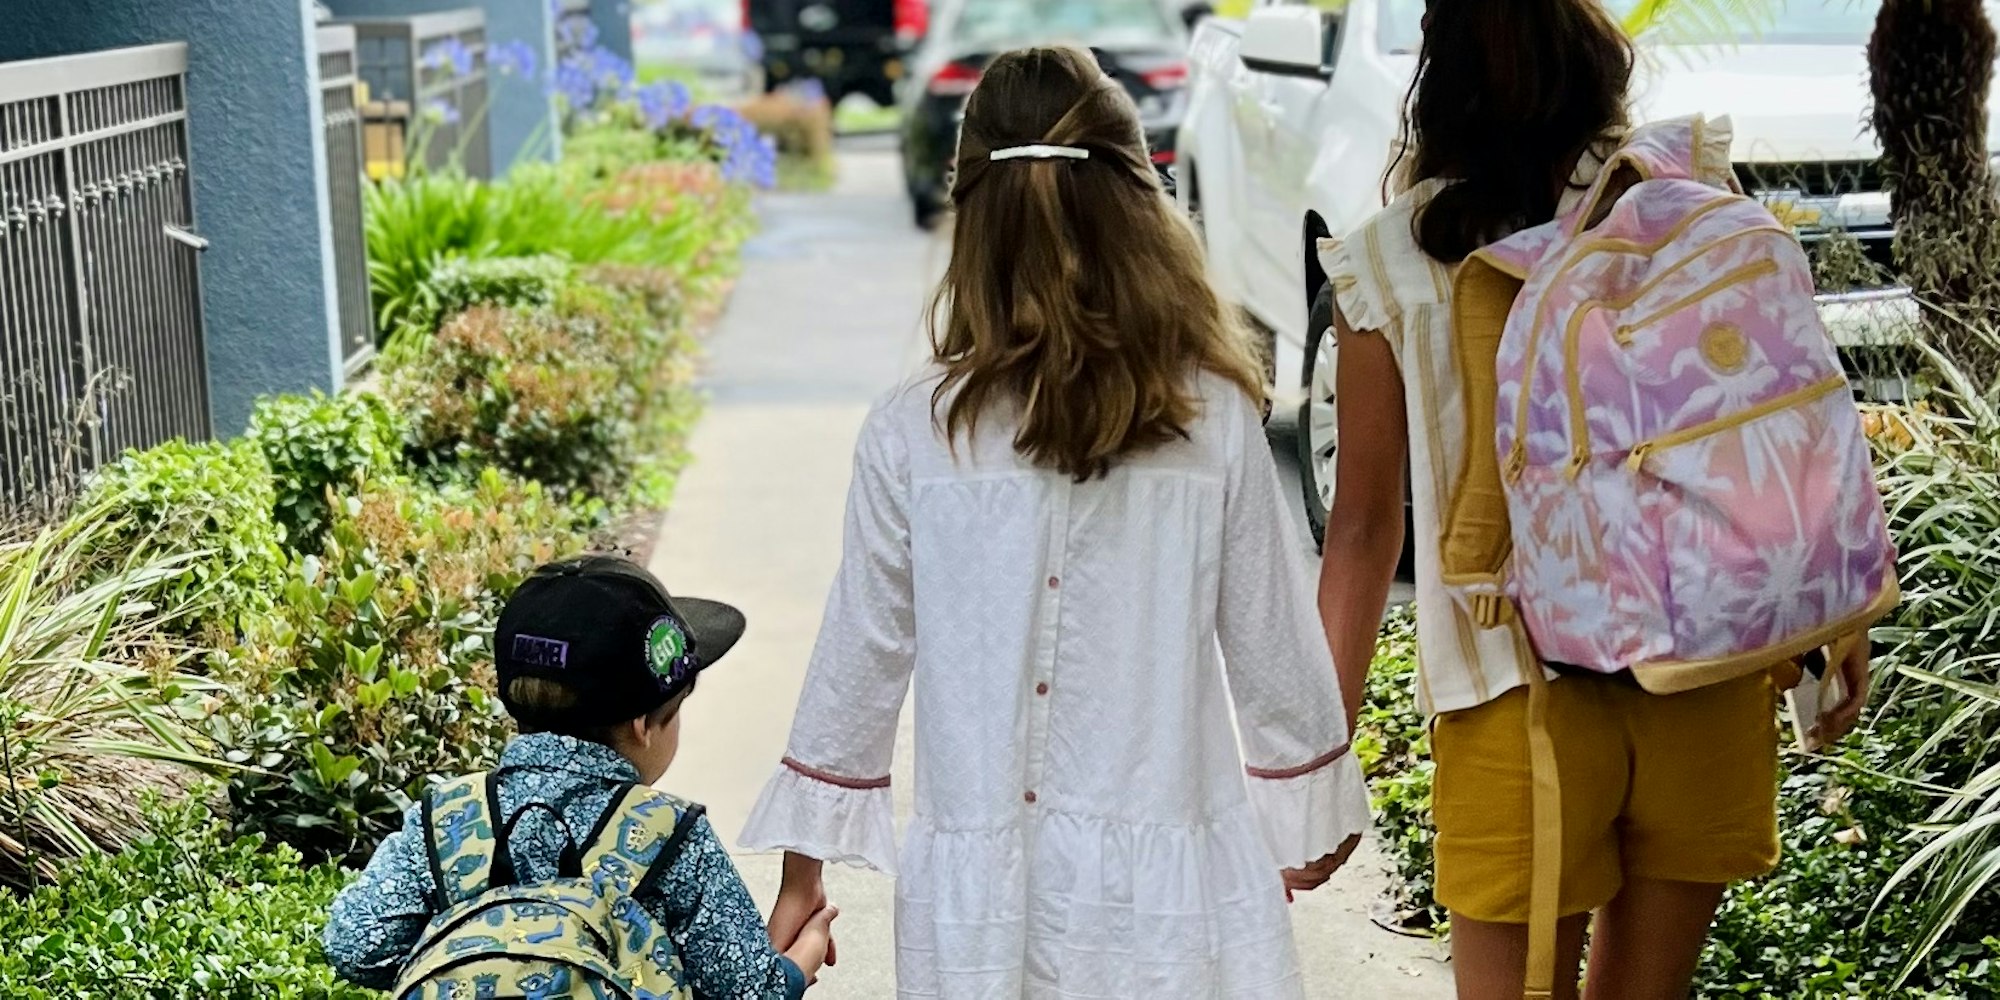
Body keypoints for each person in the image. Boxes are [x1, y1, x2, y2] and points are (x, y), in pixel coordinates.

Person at [737, 44, 1372, 1000]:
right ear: (1141, 200)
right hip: (1173, 909)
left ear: (971, 216)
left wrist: (804, 868)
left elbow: (860, 651)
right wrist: (1310, 796)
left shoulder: (917, 428)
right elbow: (1270, 637)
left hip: (980, 914)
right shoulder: (1211, 419)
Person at [1313, 3, 1877, 999]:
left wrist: (1315, 746)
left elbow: (1361, 528)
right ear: (1593, 59)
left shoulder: (1389, 259)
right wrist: (1832, 619)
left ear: (1435, 76)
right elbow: (1772, 408)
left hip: (1506, 690)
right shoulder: (1678, 190)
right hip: (1695, 663)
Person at [324, 554, 837, 999]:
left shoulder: (446, 820)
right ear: (643, 725)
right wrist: (806, 944)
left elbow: (355, 945)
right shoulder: (667, 834)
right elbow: (750, 989)